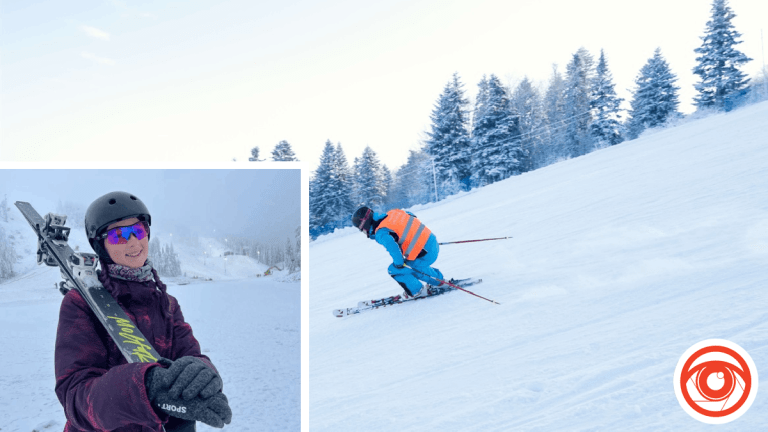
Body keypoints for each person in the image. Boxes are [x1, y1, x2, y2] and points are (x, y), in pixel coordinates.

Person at [55, 191, 232, 431]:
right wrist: (145, 388)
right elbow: (75, 398)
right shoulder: (82, 303)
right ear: (100, 245)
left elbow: (189, 355)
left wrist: (204, 373)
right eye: (118, 235)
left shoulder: (167, 304)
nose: (133, 242)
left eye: (138, 230)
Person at [352, 206, 445, 299]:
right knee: (412, 265)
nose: (365, 232)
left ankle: (417, 291)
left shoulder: (381, 232)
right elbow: (411, 216)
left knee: (395, 269)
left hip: (425, 254)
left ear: (366, 224)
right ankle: (439, 281)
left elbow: (394, 250)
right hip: (432, 242)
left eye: (362, 229)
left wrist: (399, 264)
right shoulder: (392, 213)